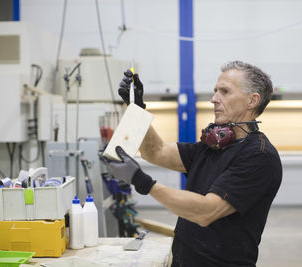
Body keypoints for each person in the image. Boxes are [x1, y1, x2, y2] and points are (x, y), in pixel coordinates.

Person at [102, 60, 282, 266]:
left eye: (224, 91)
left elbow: (206, 212)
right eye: (215, 91)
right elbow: (157, 152)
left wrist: (143, 182)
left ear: (252, 101)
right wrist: (137, 109)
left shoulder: (259, 156)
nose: (214, 99)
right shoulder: (212, 146)